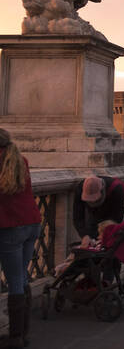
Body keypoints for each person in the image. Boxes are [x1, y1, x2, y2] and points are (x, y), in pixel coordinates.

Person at [0, 129, 42, 348]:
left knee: (15, 279)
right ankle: (22, 334)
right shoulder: (20, 159)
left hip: (11, 227)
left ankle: (16, 337)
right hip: (32, 223)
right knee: (22, 277)